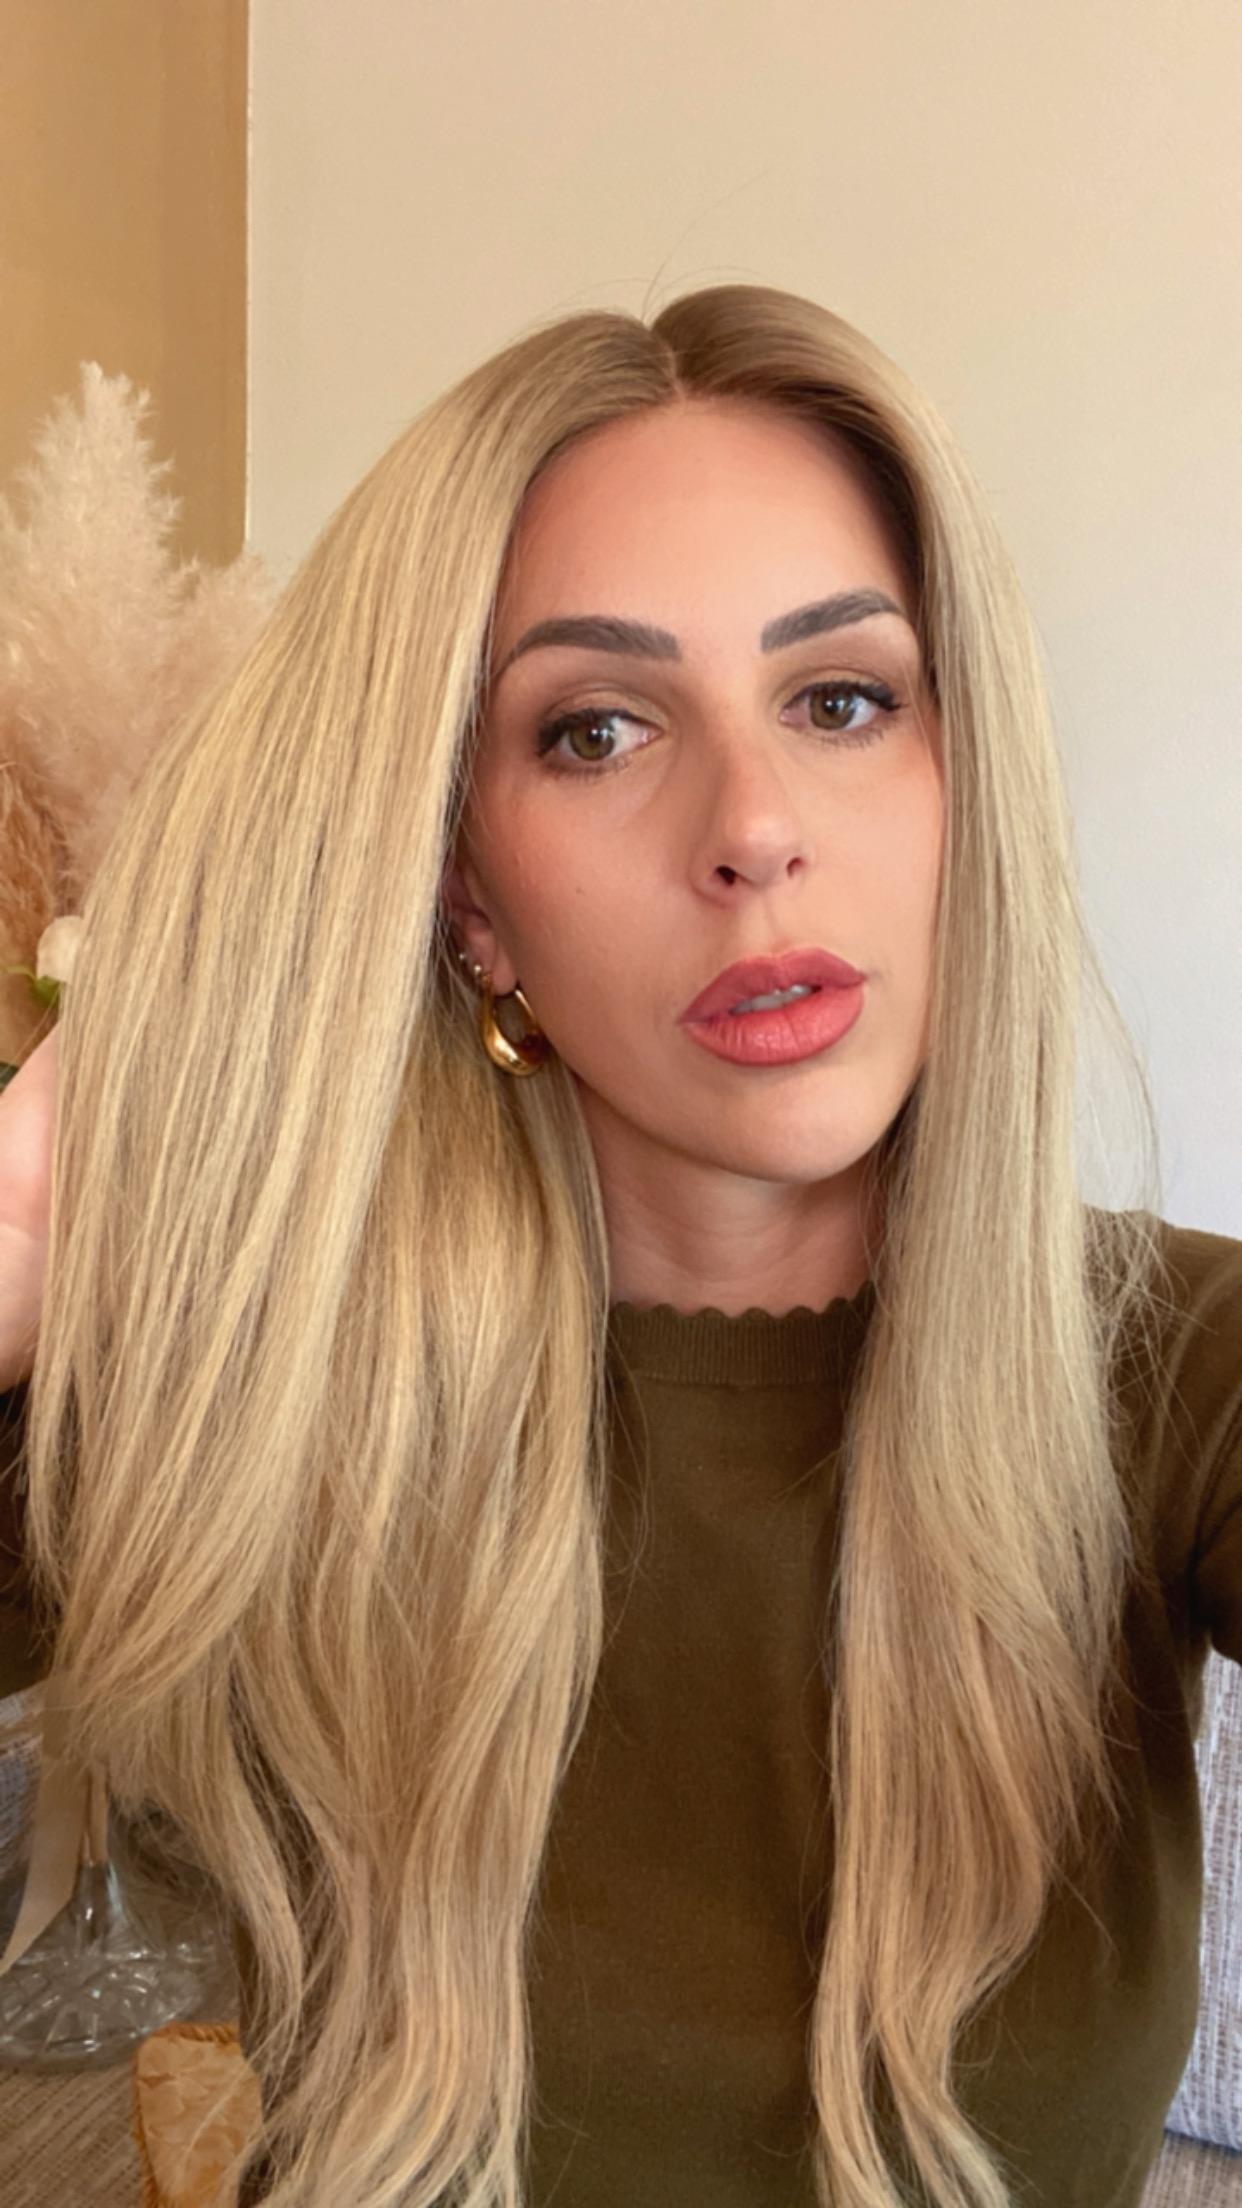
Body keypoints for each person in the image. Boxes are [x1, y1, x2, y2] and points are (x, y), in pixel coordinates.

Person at [0, 282, 1239, 2208]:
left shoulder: (1177, 1371)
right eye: (594, 730)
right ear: (468, 901)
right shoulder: (255, 1377)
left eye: (841, 701)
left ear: (964, 783)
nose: (752, 827)